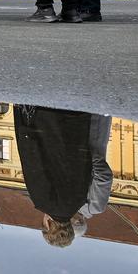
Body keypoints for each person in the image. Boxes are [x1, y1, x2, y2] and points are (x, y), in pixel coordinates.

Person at [13, 105, 95, 248]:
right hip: (46, 124)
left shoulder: (80, 201)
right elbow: (34, 165)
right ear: (49, 224)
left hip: (74, 125)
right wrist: (25, 132)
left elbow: (86, 165)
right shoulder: (44, 203)